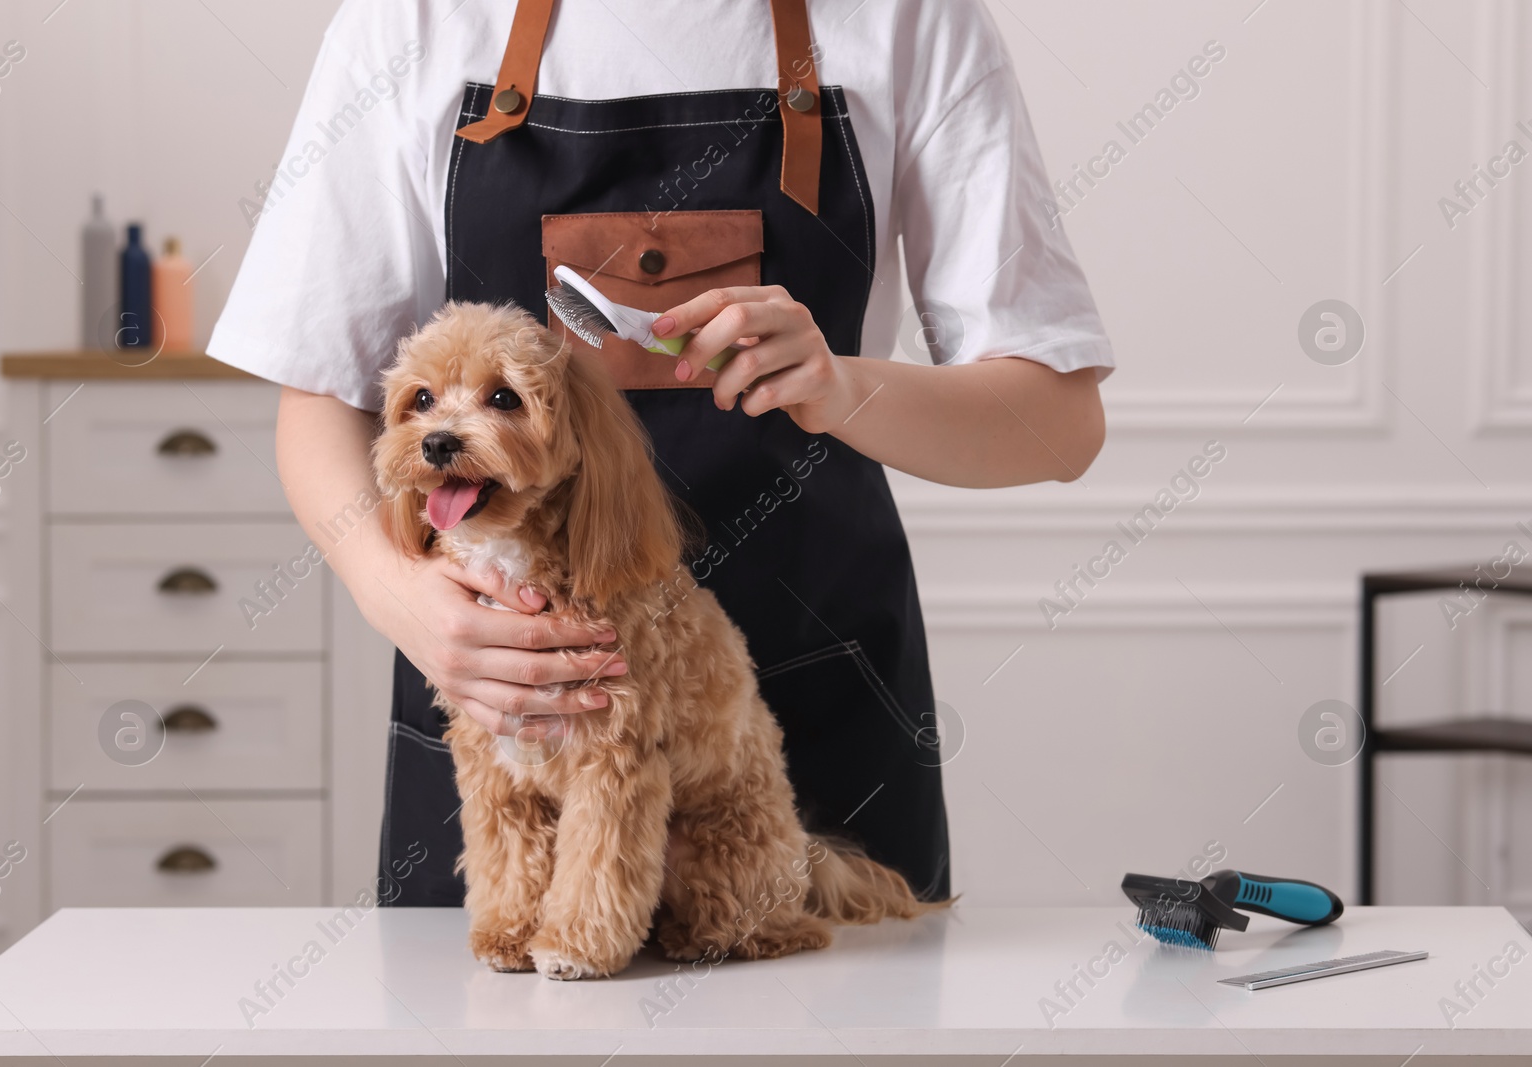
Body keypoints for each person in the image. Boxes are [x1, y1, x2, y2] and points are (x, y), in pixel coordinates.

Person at [208, 0, 1114, 907]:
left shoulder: (912, 18)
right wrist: (399, 594)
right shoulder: (409, 20)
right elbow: (319, 400)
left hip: (813, 724)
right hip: (509, 715)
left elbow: (1061, 422)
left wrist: (840, 386)